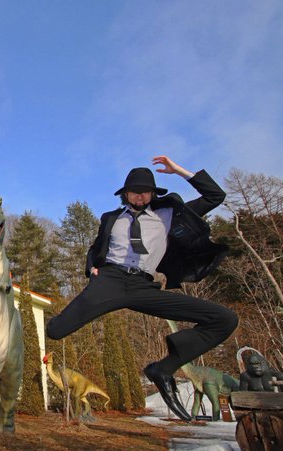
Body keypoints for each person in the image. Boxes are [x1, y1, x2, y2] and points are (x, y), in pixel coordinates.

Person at [46, 156, 238, 421]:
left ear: (152, 193)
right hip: (109, 281)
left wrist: (178, 171)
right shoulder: (111, 218)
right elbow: (96, 248)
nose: (140, 196)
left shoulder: (168, 214)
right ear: (125, 194)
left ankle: (163, 369)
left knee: (225, 319)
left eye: (145, 192)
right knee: (55, 330)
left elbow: (215, 196)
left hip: (143, 286)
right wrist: (92, 268)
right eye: (135, 192)